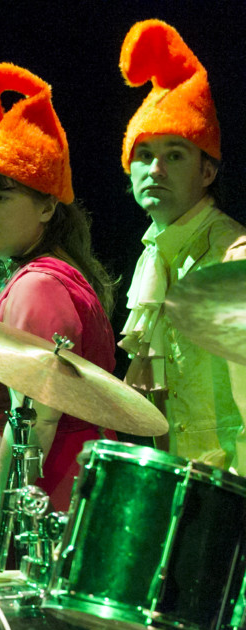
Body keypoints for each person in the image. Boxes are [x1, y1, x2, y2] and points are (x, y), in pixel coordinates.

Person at [0, 64, 117, 572]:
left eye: (2, 196)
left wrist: (1, 519)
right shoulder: (39, 273)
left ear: (45, 208)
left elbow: (34, 421)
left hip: (33, 490)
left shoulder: (39, 287)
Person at [117, 20, 246, 472]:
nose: (155, 170)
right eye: (144, 155)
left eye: (175, 155)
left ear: (207, 172)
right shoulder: (152, 254)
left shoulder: (235, 258)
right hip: (176, 482)